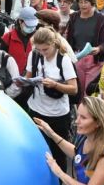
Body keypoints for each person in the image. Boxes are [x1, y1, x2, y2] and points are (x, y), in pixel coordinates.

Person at [21, 27, 78, 173]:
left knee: (58, 152)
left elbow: (74, 89)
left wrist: (55, 85)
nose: (42, 53)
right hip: (36, 108)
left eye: (45, 49)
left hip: (57, 114)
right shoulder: (34, 55)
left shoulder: (63, 60)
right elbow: (28, 76)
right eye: (39, 49)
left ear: (53, 44)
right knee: (36, 148)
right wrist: (22, 81)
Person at [65, 0, 104, 94]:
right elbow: (69, 40)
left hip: (94, 60)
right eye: (80, 2)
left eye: (86, 2)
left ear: (92, 3)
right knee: (78, 91)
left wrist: (98, 49)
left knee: (89, 92)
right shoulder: (73, 17)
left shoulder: (102, 19)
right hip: (77, 58)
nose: (83, 5)